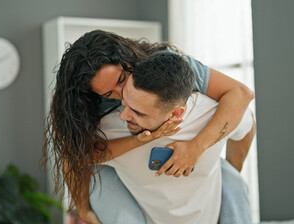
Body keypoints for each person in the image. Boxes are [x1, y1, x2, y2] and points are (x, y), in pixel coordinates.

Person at [42, 30, 255, 223]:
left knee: (229, 176)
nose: (123, 94)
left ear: (129, 59)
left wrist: (197, 147)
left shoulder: (172, 69)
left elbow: (241, 95)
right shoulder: (93, 110)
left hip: (204, 178)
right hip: (114, 172)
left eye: (122, 79)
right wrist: (84, 209)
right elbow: (75, 155)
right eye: (109, 95)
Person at [93, 52, 255, 223]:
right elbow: (77, 158)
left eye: (138, 113)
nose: (124, 116)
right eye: (125, 102)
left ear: (176, 113)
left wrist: (201, 150)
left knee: (232, 179)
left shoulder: (214, 114)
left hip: (210, 214)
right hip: (147, 215)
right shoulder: (110, 129)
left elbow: (247, 122)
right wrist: (137, 141)